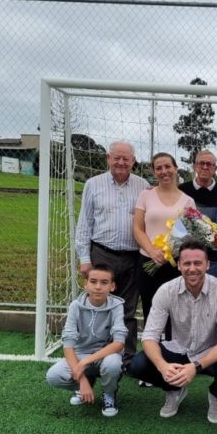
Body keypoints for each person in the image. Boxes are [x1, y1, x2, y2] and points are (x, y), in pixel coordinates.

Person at [127, 240, 217, 423]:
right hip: (178, 349)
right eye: (187, 263)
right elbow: (149, 337)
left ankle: (216, 394)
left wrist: (194, 367)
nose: (192, 268)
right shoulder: (166, 291)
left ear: (208, 264)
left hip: (209, 352)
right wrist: (163, 367)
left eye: (198, 263)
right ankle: (174, 389)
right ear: (179, 265)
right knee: (137, 365)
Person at [75, 141, 149, 367]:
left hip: (133, 256)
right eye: (116, 157)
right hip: (102, 254)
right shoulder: (93, 184)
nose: (121, 162)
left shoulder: (143, 186)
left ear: (133, 161)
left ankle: (126, 359)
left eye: (126, 159)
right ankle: (95, 354)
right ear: (108, 158)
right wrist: (85, 259)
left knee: (127, 309)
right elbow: (84, 223)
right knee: (99, 305)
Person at [45, 264, 127, 417]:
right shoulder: (75, 306)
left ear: (112, 286)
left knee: (113, 364)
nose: (98, 287)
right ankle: (85, 384)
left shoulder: (117, 306)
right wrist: (82, 379)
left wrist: (86, 362)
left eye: (104, 282)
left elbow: (119, 343)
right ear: (85, 284)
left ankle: (109, 394)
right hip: (80, 354)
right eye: (93, 281)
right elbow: (68, 345)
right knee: (53, 376)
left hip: (105, 355)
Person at [133, 152, 196, 337]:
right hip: (148, 262)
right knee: (150, 309)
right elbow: (137, 229)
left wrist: (170, 251)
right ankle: (152, 353)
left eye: (167, 166)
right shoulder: (146, 195)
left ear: (175, 168)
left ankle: (172, 353)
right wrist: (152, 251)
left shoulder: (188, 201)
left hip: (174, 264)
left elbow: (189, 234)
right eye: (158, 168)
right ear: (153, 171)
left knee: (175, 313)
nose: (164, 171)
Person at [179, 150, 217, 279]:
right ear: (195, 166)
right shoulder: (181, 190)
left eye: (209, 164)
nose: (205, 167)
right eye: (201, 163)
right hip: (186, 255)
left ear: (215, 168)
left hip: (213, 257)